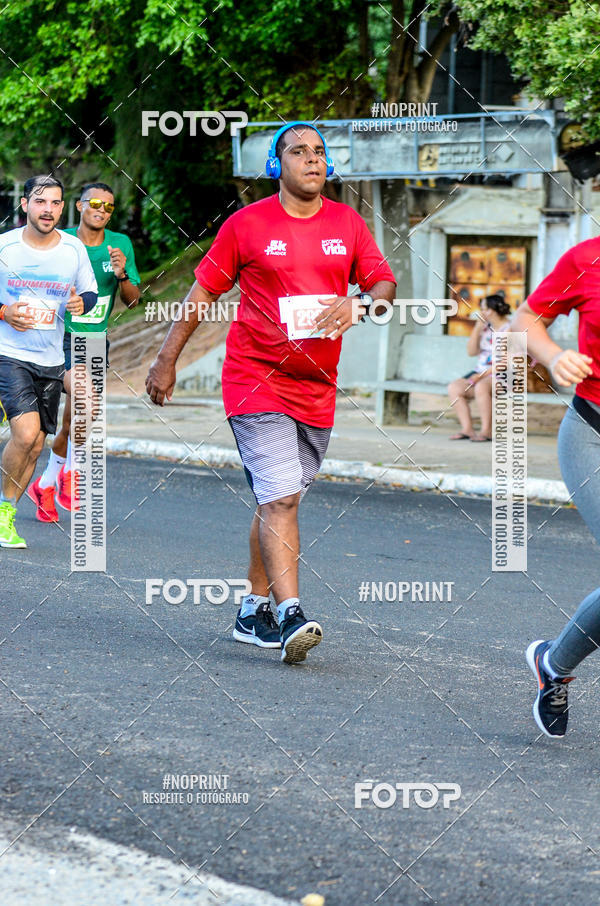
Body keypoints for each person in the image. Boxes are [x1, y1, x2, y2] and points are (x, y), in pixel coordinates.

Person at [145, 121, 396, 664]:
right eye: (298, 151)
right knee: (281, 495)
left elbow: (384, 284)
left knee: (278, 497)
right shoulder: (246, 225)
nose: (312, 158)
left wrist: (362, 302)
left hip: (316, 387)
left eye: (319, 151)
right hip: (254, 379)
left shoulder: (348, 223)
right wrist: (165, 361)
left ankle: (251, 610)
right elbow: (201, 292)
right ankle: (291, 616)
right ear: (275, 165)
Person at [512, 237, 600, 738]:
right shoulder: (587, 258)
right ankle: (556, 666)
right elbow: (526, 319)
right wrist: (553, 353)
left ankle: (552, 662)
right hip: (592, 434)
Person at [28, 182, 140, 521]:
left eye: (108, 206)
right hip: (58, 337)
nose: (101, 210)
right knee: (67, 415)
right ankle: (70, 474)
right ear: (78, 206)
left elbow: (134, 300)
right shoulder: (62, 244)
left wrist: (121, 275)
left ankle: (48, 482)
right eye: (95, 203)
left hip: (95, 340)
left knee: (78, 417)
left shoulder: (120, 245)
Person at [0, 175, 97, 548]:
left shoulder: (72, 249)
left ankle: (7, 511)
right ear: (25, 204)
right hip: (10, 355)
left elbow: (88, 292)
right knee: (24, 434)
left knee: (37, 445)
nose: (48, 210)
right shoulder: (6, 246)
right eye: (41, 202)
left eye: (56, 203)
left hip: (51, 359)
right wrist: (5, 312)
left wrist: (80, 304)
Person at [447, 294, 512, 442]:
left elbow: (505, 363)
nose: (481, 313)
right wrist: (477, 327)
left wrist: (482, 376)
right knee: (454, 388)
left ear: (491, 310)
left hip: (504, 375)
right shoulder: (485, 329)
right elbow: (471, 352)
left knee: (481, 387)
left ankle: (486, 431)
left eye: (483, 309)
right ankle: (467, 429)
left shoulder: (511, 329)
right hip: (480, 373)